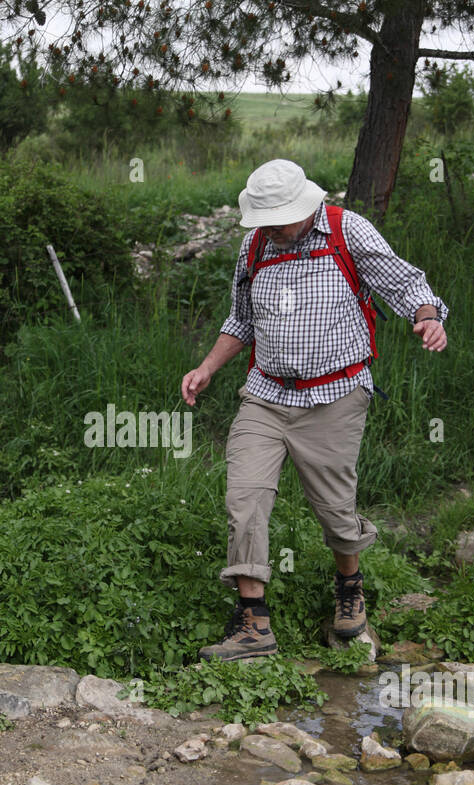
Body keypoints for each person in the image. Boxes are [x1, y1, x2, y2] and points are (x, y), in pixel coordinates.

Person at [181, 158, 448, 662]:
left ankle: (350, 590)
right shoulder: (256, 245)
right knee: (245, 501)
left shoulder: (347, 231)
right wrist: (208, 368)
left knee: (335, 512)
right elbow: (240, 320)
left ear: (307, 205)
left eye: (282, 218)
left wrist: (428, 316)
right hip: (265, 394)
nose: (275, 229)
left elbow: (406, 283)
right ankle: (253, 624)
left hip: (334, 396)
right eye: (267, 219)